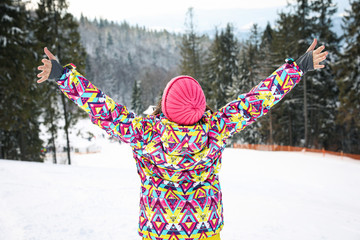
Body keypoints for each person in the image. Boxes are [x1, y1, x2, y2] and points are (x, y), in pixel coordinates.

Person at [37, 39, 327, 240]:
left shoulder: (145, 133)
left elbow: (102, 107)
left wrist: (63, 76)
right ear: (201, 107)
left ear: (165, 105)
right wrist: (297, 67)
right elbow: (257, 100)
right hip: (205, 229)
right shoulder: (216, 129)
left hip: (158, 229)